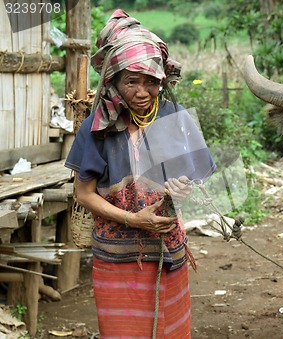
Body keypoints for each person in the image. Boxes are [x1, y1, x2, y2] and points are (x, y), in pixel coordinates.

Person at [65, 9, 215, 338]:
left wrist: (182, 191)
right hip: (117, 260)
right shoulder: (96, 127)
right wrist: (133, 219)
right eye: (132, 81)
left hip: (167, 251)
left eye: (151, 81)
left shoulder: (175, 118)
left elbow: (195, 181)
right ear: (114, 81)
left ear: (162, 80)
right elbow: (84, 193)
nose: (143, 91)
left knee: (169, 331)